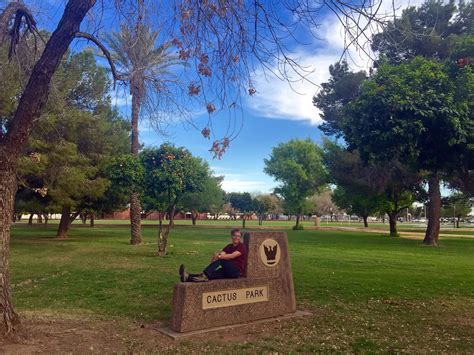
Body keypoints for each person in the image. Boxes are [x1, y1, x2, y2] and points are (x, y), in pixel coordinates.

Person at [179, 228, 246, 282]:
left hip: (236, 271)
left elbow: (232, 256)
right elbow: (222, 253)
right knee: (210, 275)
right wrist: (216, 256)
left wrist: (219, 257)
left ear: (240, 237)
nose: (236, 237)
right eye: (235, 235)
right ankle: (187, 277)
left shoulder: (241, 246)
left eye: (238, 236)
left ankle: (204, 274)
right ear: (231, 236)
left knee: (221, 260)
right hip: (227, 270)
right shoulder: (229, 246)